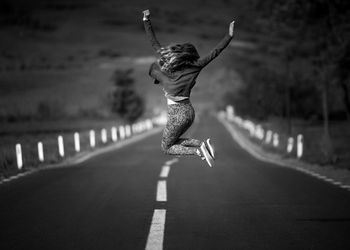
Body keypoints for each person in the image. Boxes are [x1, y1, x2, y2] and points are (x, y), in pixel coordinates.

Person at [142, 9, 235, 167]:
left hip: (176, 114)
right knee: (174, 141)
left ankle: (199, 150)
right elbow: (215, 53)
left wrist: (146, 20)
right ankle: (201, 144)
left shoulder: (165, 70)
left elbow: (154, 42)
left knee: (166, 147)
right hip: (189, 112)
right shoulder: (194, 66)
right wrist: (229, 36)